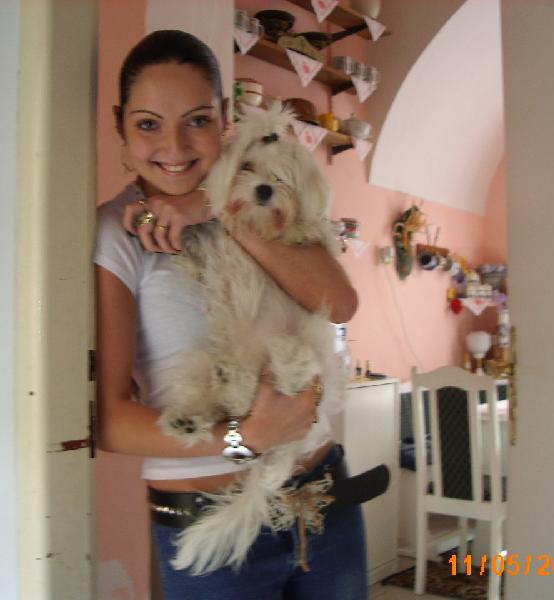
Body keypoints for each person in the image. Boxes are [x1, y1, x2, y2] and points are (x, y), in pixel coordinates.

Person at [93, 29, 370, 600]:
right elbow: (112, 422)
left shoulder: (261, 189)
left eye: (196, 120)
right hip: (212, 525)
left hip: (323, 502)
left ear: (223, 117)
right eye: (148, 124)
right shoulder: (116, 233)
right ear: (120, 124)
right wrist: (245, 438)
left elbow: (339, 303)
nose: (174, 146)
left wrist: (218, 208)